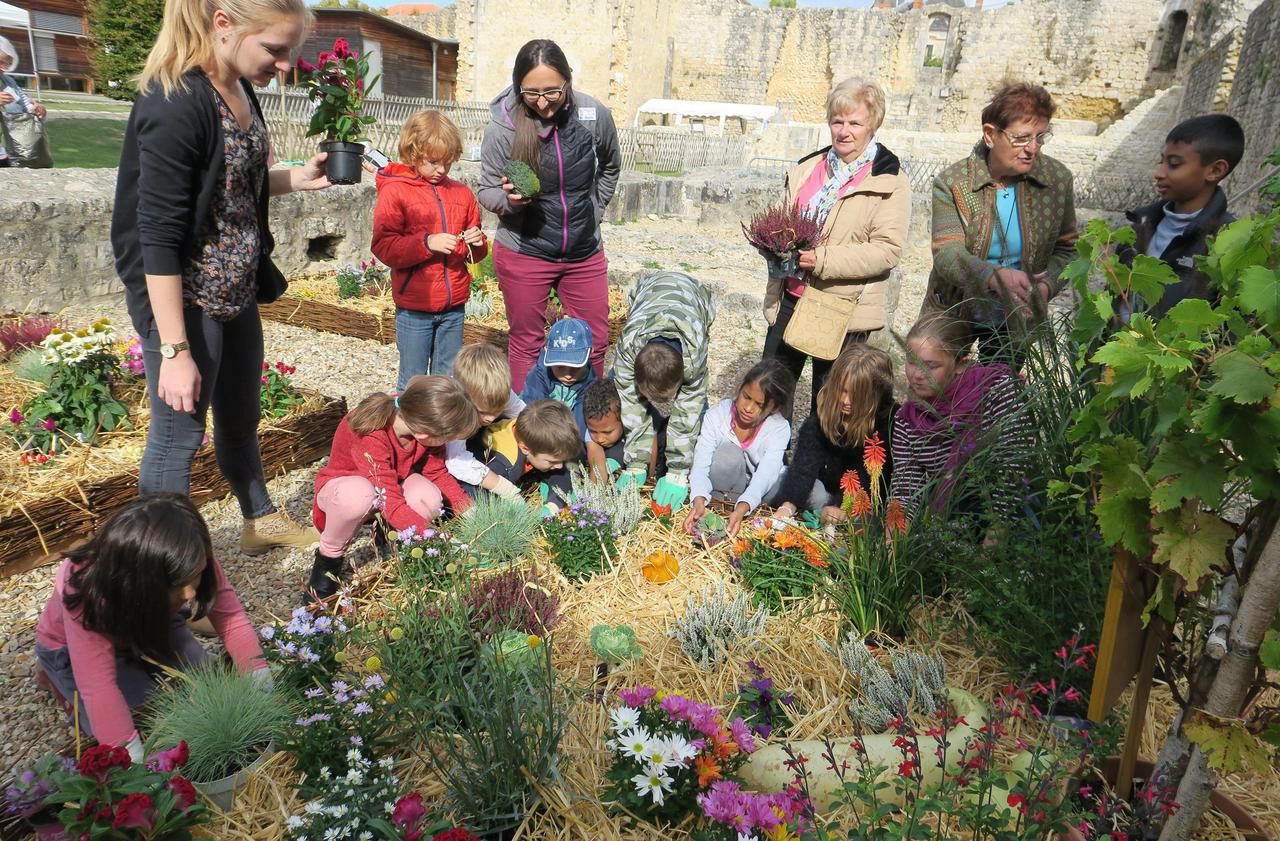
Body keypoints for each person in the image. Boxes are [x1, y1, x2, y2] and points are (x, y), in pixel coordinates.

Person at [110, 0, 331, 555]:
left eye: (291, 52)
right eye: (275, 50)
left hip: (236, 288)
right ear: (223, 25)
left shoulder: (238, 86)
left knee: (241, 415)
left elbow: (231, 185)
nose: (284, 66)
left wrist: (295, 178)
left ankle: (259, 519)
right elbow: (157, 236)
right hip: (186, 300)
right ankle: (163, 586)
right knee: (176, 437)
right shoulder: (176, 102)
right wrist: (175, 349)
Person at [35, 494, 269, 761]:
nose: (191, 593)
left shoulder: (188, 553)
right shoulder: (87, 588)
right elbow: (97, 685)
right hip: (72, 649)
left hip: (153, 622)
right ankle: (54, 676)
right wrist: (133, 762)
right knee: (149, 723)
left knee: (207, 689)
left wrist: (262, 686)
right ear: (138, 581)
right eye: (178, 585)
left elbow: (232, 620)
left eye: (197, 575)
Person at [476, 38, 622, 391]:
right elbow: (486, 190)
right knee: (527, 344)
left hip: (583, 253)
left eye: (552, 92)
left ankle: (587, 424)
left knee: (595, 342)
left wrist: (595, 211)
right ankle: (529, 427)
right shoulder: (504, 126)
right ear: (518, 86)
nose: (542, 102)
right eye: (531, 93)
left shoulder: (593, 115)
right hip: (526, 251)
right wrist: (511, 202)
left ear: (568, 82)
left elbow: (611, 166)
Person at [762, 77, 909, 418]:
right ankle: (768, 466)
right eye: (837, 121)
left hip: (842, 307)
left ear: (872, 126)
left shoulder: (889, 180)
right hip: (791, 297)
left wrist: (822, 259)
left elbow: (886, 250)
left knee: (830, 404)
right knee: (771, 392)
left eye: (855, 123)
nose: (844, 131)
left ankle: (820, 471)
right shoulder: (807, 169)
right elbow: (785, 222)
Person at [925, 82, 1078, 363]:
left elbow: (1068, 250)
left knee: (1001, 396)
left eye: (1040, 137)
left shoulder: (1057, 181)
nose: (1032, 148)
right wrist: (995, 277)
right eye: (1021, 138)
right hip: (953, 307)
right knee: (935, 391)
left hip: (1016, 317)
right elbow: (947, 253)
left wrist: (1045, 288)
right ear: (990, 134)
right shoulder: (953, 183)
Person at [310, 376, 479, 601]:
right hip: (345, 489)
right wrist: (440, 538)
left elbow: (436, 472)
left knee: (427, 498)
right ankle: (327, 562)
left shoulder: (417, 414)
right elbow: (391, 501)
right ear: (424, 434)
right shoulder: (372, 431)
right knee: (359, 495)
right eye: (447, 438)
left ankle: (390, 539)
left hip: (388, 486)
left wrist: (470, 510)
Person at [890, 312, 1033, 540]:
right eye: (910, 361)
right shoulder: (907, 419)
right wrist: (891, 549)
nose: (916, 375)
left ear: (960, 363)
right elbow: (906, 492)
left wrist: (988, 554)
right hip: (950, 523)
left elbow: (1013, 473)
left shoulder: (997, 392)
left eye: (930, 366)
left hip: (1011, 522)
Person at [372, 110, 487, 387]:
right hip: (414, 307)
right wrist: (427, 243)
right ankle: (407, 430)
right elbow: (383, 245)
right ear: (412, 154)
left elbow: (474, 256)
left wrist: (477, 242)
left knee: (446, 379)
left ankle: (441, 430)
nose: (441, 170)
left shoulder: (462, 194)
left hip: (454, 306)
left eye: (447, 163)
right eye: (433, 162)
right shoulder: (396, 192)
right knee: (412, 382)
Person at [1119, 114, 1244, 319]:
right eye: (1161, 161)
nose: (1158, 173)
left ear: (1215, 170)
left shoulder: (1227, 245)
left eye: (1174, 164)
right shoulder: (1139, 223)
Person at [613, 271, 716, 509]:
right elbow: (631, 404)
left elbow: (686, 412)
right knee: (623, 393)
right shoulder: (628, 349)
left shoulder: (694, 358)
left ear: (681, 379)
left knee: (694, 408)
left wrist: (678, 471)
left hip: (694, 297)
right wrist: (637, 462)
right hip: (648, 291)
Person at [772, 345, 897, 526]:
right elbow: (804, 466)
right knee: (801, 488)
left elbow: (872, 480)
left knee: (866, 521)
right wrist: (787, 506)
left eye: (855, 396)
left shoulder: (888, 422)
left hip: (865, 503)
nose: (846, 401)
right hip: (826, 490)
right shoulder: (825, 414)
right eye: (843, 391)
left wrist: (843, 507)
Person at [683, 359, 795, 538]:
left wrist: (743, 508)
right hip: (725, 489)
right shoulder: (717, 416)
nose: (748, 408)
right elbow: (701, 464)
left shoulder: (779, 428)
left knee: (807, 488)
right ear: (740, 388)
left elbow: (766, 475)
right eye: (746, 397)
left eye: (760, 405)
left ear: (774, 408)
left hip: (759, 495)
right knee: (728, 454)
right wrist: (698, 501)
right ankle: (722, 509)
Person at [446, 342, 526, 501]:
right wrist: (502, 486)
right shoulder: (453, 407)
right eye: (483, 412)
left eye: (497, 410)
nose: (490, 418)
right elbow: (455, 461)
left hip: (476, 439)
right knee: (469, 492)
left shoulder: (497, 391)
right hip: (450, 454)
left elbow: (523, 414)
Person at [474, 399, 582, 513]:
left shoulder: (537, 438)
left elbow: (564, 473)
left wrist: (553, 505)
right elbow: (480, 494)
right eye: (552, 462)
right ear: (525, 448)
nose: (559, 466)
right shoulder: (504, 466)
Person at [520, 316, 598, 433]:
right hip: (538, 435)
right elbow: (532, 416)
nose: (568, 375)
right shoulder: (538, 375)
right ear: (546, 351)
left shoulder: (590, 383)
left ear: (590, 354)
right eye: (560, 367)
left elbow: (580, 427)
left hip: (568, 439)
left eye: (575, 367)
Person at [582, 377, 665, 484]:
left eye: (607, 432)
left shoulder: (640, 423)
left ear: (624, 419)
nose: (600, 439)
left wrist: (649, 477)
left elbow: (650, 465)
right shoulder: (595, 426)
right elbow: (597, 467)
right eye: (593, 431)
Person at [0, 36, 48, 168]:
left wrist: (37, 110)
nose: (3, 69)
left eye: (7, 64)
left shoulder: (8, 82)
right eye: (0, 63)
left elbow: (25, 104)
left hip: (11, 152)